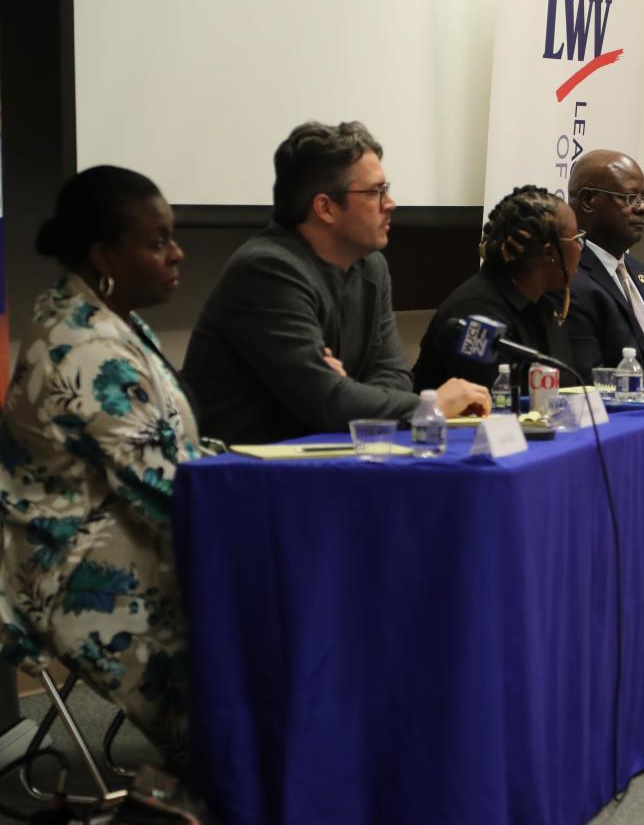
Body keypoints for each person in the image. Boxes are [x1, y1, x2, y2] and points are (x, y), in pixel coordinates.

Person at [0, 166, 208, 772]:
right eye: (158, 241)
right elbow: (161, 491)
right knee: (248, 615)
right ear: (105, 254)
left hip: (121, 531)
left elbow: (170, 448)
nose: (177, 254)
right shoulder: (82, 344)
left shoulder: (108, 315)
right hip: (68, 563)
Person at [182, 121, 489, 444]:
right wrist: (432, 405)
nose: (390, 203)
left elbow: (394, 378)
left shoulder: (371, 266)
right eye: (375, 192)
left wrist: (347, 392)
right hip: (245, 472)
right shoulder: (268, 270)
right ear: (325, 207)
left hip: (325, 457)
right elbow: (328, 402)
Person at [413, 185, 582, 390]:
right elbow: (486, 403)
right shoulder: (475, 312)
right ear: (549, 253)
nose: (580, 248)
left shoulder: (544, 304)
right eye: (577, 240)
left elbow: (564, 389)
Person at [565, 150, 644, 385]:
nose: (642, 208)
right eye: (630, 197)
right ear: (588, 200)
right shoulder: (569, 281)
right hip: (629, 417)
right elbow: (588, 384)